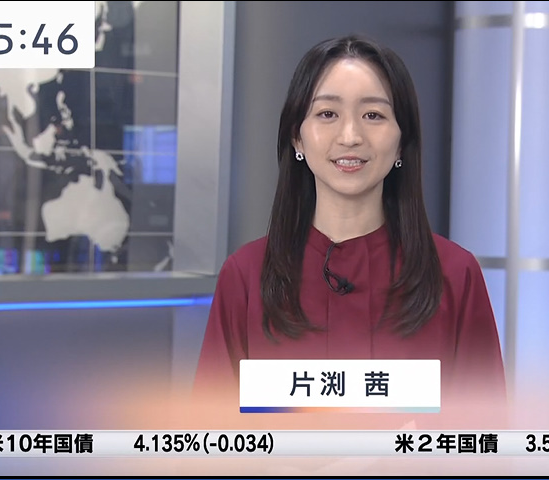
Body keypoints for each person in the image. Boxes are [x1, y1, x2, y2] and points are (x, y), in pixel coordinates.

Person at [193, 34, 505, 430]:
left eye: (373, 115)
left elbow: (483, 441)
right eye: (327, 114)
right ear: (297, 136)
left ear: (402, 143)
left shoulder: (455, 275)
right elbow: (209, 441)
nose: (350, 136)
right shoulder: (246, 276)